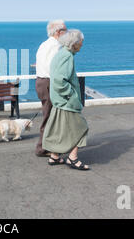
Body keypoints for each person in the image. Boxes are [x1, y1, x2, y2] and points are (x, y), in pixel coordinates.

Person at [42, 29, 90, 170]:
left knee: (59, 129)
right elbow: (59, 80)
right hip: (66, 101)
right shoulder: (67, 56)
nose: (82, 44)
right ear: (74, 43)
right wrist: (71, 95)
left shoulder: (61, 53)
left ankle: (54, 157)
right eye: (80, 42)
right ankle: (72, 159)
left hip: (59, 100)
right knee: (81, 128)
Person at [34, 19, 67, 157]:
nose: (67, 32)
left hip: (40, 82)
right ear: (59, 32)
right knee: (50, 117)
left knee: (48, 115)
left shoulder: (44, 44)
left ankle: (47, 146)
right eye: (65, 30)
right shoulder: (56, 46)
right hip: (49, 83)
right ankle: (43, 148)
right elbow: (54, 68)